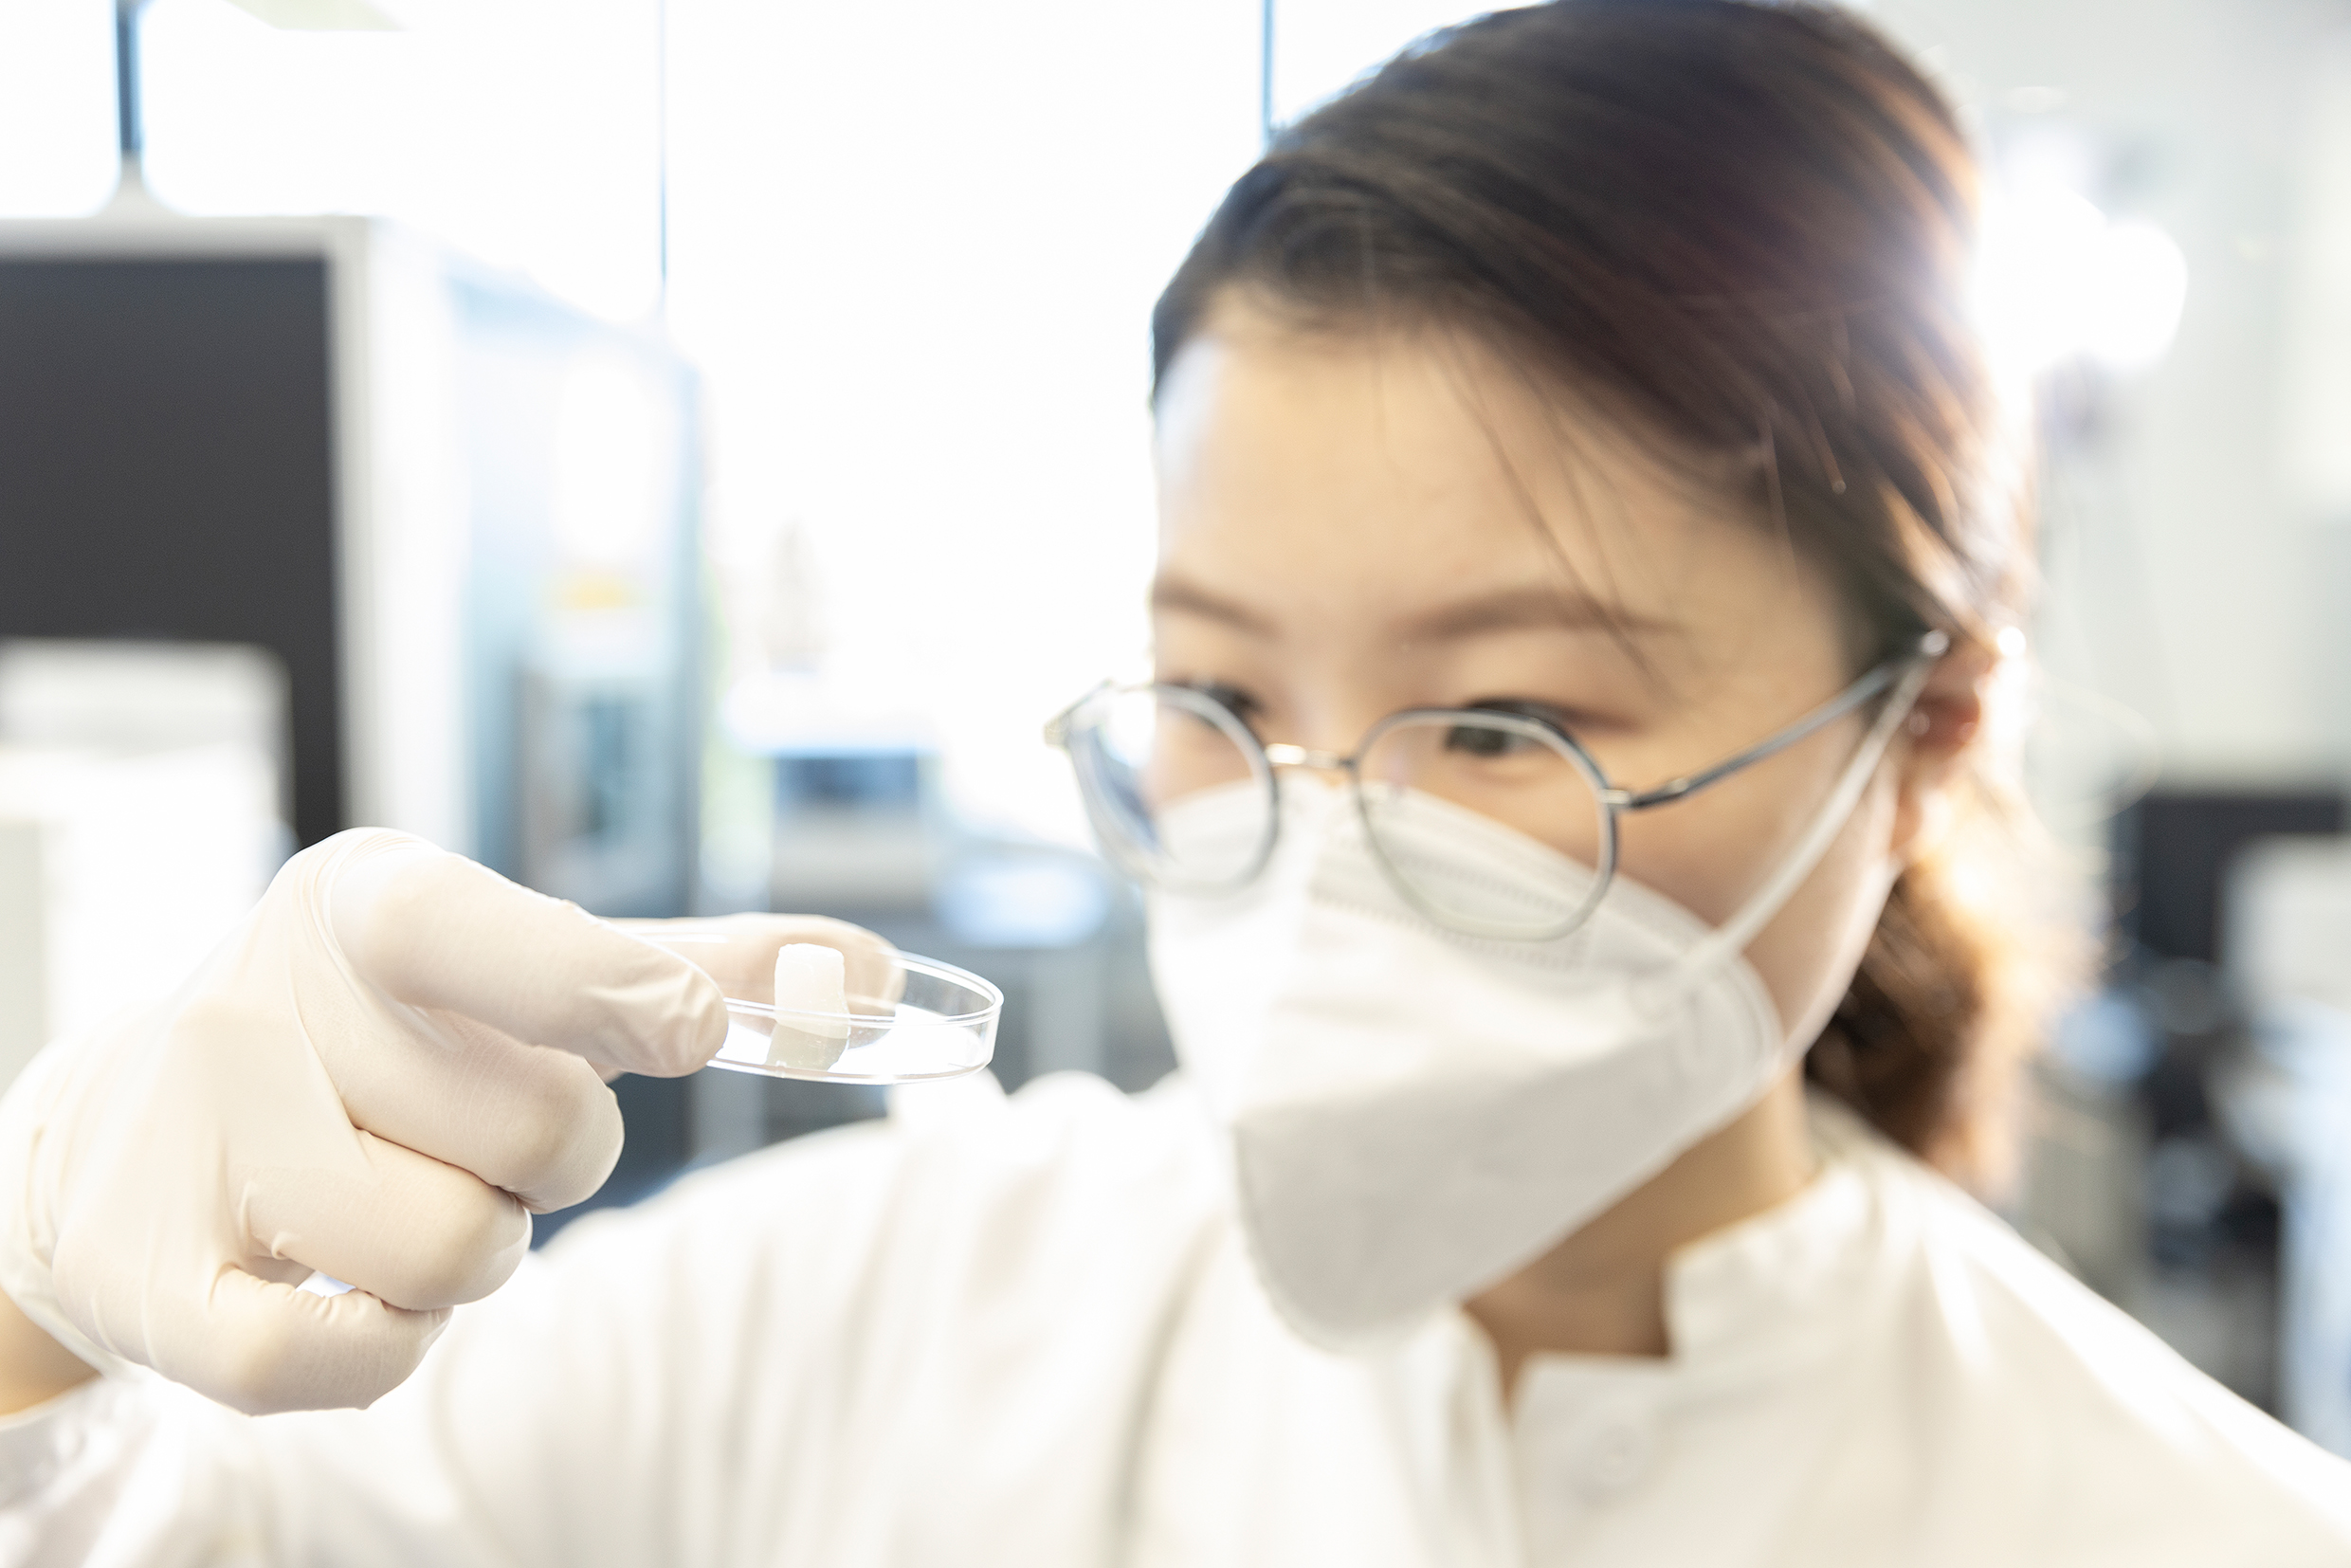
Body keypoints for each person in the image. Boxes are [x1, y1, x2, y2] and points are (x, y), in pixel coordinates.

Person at [4, 2, 2348, 1561]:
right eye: (1215, 701)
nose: (1318, 848)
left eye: (1507, 724)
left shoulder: (2174, 1517)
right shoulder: (876, 1307)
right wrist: (42, 1302)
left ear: (1920, 737)